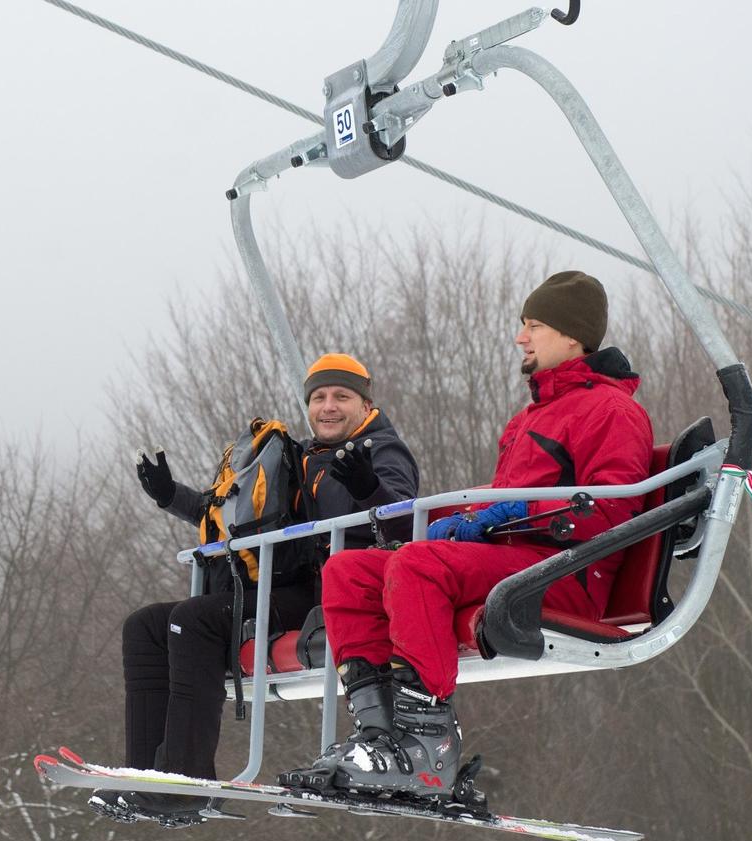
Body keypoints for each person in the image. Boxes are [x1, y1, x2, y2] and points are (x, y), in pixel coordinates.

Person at [280, 271, 653, 800]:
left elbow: (612, 509)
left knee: (418, 566)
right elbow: (501, 501)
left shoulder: (612, 411)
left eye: (534, 325)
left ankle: (427, 742)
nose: (521, 337)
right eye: (522, 325)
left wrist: (505, 513)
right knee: (348, 571)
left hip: (561, 573)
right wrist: (464, 520)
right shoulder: (530, 418)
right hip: (509, 563)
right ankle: (380, 734)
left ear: (573, 336)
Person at [101, 353, 420, 822]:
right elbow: (251, 520)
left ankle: (185, 782)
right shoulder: (307, 456)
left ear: (365, 402)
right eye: (318, 398)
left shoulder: (381, 450)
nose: (328, 407)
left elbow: (406, 524)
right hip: (292, 582)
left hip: (339, 592)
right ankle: (147, 775)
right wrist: (173, 497)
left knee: (194, 621)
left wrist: (368, 484)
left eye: (341, 396)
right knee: (145, 625)